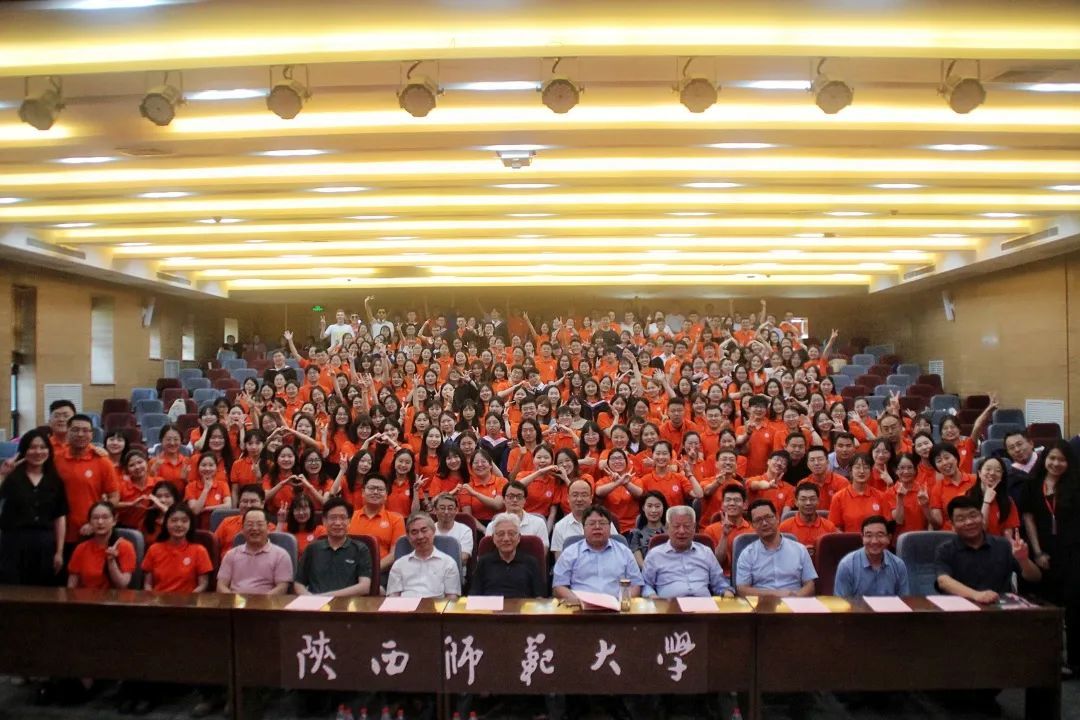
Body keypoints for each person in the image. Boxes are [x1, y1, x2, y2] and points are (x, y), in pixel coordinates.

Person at [1019, 439, 1079, 673]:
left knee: (1075, 606)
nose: (1056, 463)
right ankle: (1050, 662)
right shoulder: (1032, 485)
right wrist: (1037, 552)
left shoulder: (1075, 483)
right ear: (1045, 459)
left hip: (1073, 551)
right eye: (1052, 458)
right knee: (1047, 607)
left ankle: (1075, 661)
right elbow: (1028, 519)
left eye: (1062, 460)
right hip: (1044, 551)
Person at [936, 496, 1041, 603]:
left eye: (973, 516)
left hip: (999, 606)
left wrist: (1023, 560)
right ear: (952, 525)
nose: (969, 522)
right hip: (961, 607)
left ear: (982, 518)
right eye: (961, 519)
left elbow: (1035, 577)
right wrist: (976, 595)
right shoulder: (946, 549)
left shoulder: (1003, 545)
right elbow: (943, 581)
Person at [0, 428, 68, 586]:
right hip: (13, 543)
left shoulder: (55, 481)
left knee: (42, 591)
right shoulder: (12, 477)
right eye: (32, 447)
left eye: (43, 447)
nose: (38, 452)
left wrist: (59, 552)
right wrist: (3, 474)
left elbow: (59, 517)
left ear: (49, 451)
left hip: (45, 544)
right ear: (24, 450)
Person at [53, 414, 119, 558]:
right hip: (58, 532)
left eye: (85, 430)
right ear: (67, 432)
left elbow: (114, 497)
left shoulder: (103, 461)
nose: (80, 434)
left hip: (91, 533)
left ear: (92, 434)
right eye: (75, 430)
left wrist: (95, 523)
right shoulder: (55, 459)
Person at [552, 505, 643, 603]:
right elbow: (559, 585)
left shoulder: (624, 552)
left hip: (617, 607)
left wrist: (622, 601)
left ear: (610, 527)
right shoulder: (570, 553)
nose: (597, 527)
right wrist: (576, 601)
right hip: (580, 607)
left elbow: (636, 585)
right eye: (591, 523)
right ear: (583, 528)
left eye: (602, 523)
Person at [642, 505, 732, 598]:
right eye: (676, 526)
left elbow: (720, 584)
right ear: (667, 528)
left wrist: (727, 592)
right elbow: (645, 585)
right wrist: (652, 596)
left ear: (694, 528)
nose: (682, 531)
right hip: (670, 605)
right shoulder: (655, 555)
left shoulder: (706, 552)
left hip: (703, 604)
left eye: (687, 526)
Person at [735, 499, 817, 597]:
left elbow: (810, 586)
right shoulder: (747, 554)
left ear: (777, 518)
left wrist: (795, 598)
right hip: (762, 603)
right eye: (758, 520)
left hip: (795, 601)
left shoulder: (800, 550)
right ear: (752, 525)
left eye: (768, 517)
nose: (764, 523)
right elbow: (742, 590)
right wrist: (777, 595)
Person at [294, 497, 374, 597]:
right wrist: (310, 598)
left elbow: (364, 587)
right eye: (333, 518)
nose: (338, 523)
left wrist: (325, 597)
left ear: (349, 521)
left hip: (347, 603)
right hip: (314, 604)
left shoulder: (360, 549)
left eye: (342, 518)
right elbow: (298, 583)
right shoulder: (312, 549)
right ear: (324, 521)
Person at [216, 507, 292, 595]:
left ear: (268, 528)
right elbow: (221, 586)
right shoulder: (231, 555)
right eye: (250, 524)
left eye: (259, 524)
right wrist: (234, 601)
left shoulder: (281, 555)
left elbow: (282, 587)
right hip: (235, 601)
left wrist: (259, 601)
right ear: (242, 529)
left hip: (268, 602)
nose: (254, 528)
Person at [386, 512, 461, 599]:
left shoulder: (448, 563)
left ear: (433, 531)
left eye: (424, 530)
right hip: (406, 606)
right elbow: (393, 598)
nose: (420, 536)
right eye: (414, 532)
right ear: (408, 537)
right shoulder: (399, 565)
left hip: (436, 606)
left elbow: (451, 598)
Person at [142, 504, 213, 593]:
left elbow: (203, 584)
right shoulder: (153, 549)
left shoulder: (200, 551)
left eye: (184, 521)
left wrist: (189, 598)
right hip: (157, 599)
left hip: (188, 600)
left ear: (190, 524)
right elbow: (147, 584)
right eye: (174, 520)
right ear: (166, 523)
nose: (179, 525)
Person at [471, 512, 545, 597]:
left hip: (522, 605)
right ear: (493, 538)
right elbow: (474, 595)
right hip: (491, 605)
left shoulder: (531, 562)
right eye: (501, 534)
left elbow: (540, 597)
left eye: (511, 533)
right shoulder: (483, 563)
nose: (506, 539)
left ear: (519, 538)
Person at [832, 515, 909, 597]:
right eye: (869, 536)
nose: (874, 541)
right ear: (862, 538)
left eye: (880, 535)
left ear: (888, 538)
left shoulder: (898, 565)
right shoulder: (847, 565)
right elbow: (841, 602)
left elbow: (904, 601)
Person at [66, 501, 136, 590]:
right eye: (95, 518)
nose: (100, 522)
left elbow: (122, 584)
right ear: (89, 522)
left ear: (114, 521)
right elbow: (71, 585)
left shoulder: (126, 547)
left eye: (105, 517)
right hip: (87, 596)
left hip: (115, 597)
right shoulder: (81, 548)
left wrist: (111, 561)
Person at [347, 475, 406, 576]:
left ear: (386, 495)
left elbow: (395, 553)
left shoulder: (396, 519)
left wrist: (370, 571)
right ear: (363, 492)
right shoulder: (349, 517)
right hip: (349, 571)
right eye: (371, 488)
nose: (375, 492)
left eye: (380, 489)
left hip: (380, 573)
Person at [550, 479, 616, 557]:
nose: (579, 499)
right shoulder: (560, 526)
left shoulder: (604, 522)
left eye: (584, 495)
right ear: (568, 498)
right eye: (575, 495)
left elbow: (617, 550)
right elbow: (560, 560)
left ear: (591, 498)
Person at [828, 453, 890, 532]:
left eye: (866, 467)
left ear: (871, 471)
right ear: (850, 471)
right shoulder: (838, 497)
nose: (862, 471)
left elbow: (887, 525)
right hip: (849, 539)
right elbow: (835, 527)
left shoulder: (881, 496)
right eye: (857, 467)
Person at [704, 482, 755, 576]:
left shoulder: (753, 531)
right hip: (722, 577)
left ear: (745, 505)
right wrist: (724, 535)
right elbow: (716, 562)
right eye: (728, 500)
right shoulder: (710, 530)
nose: (732, 503)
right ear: (722, 505)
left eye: (736, 500)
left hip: (748, 575)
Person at [778, 482, 837, 558]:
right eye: (803, 499)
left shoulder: (829, 527)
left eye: (812, 499)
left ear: (818, 501)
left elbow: (833, 555)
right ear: (796, 502)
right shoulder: (784, 527)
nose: (808, 503)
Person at [484, 480, 550, 548]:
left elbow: (542, 550)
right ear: (503, 499)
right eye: (510, 496)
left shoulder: (538, 523)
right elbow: (489, 550)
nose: (515, 500)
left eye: (519, 497)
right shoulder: (492, 526)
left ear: (525, 500)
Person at [213, 484, 270, 560]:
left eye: (253, 501)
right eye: (245, 501)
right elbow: (213, 547)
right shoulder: (227, 523)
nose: (248, 505)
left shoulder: (269, 527)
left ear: (262, 504)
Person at [433, 492, 475, 571]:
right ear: (435, 510)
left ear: (456, 510)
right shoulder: (429, 530)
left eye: (450, 508)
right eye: (442, 508)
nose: (446, 512)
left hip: (456, 572)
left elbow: (463, 559)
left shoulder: (465, 530)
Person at [628, 491, 667, 567]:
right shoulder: (636, 533)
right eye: (649, 506)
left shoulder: (671, 531)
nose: (653, 510)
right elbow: (641, 565)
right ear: (643, 508)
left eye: (657, 506)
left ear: (663, 507)